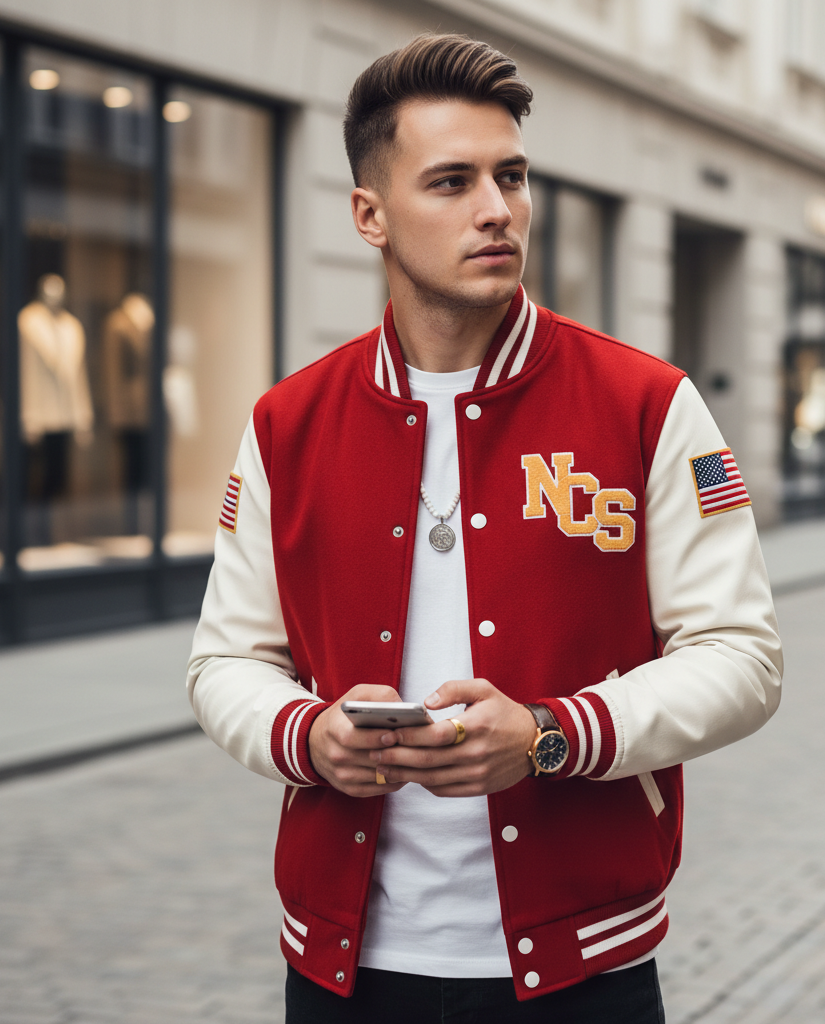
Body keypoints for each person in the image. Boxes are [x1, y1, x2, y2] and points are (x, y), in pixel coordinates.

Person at [187, 33, 782, 1023]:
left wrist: (552, 734)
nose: (497, 208)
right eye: (452, 181)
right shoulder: (288, 424)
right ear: (370, 215)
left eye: (511, 176)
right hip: (345, 966)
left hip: (584, 963)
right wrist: (311, 737)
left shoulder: (646, 403)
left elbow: (741, 657)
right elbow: (225, 662)